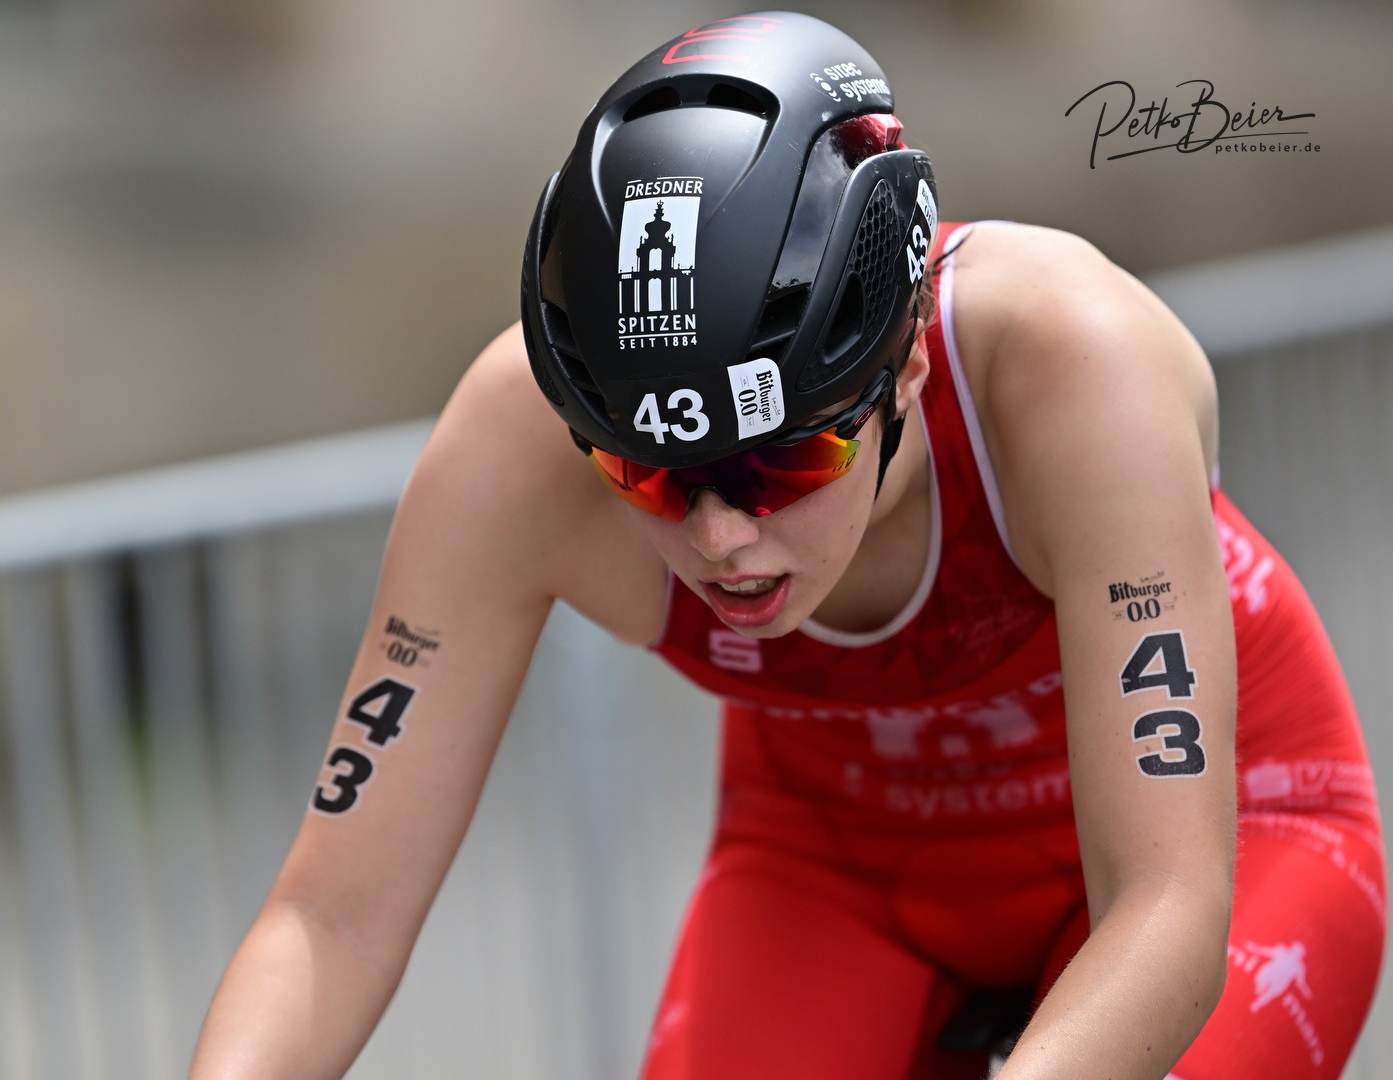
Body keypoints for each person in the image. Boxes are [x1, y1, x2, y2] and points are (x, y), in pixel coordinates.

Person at [189, 12, 1385, 1079]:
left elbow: (1166, 902)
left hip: (1232, 835)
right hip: (837, 867)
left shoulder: (1072, 361)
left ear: (904, 364)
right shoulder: (513, 446)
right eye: (648, 473)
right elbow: (331, 917)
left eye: (781, 464)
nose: (719, 534)